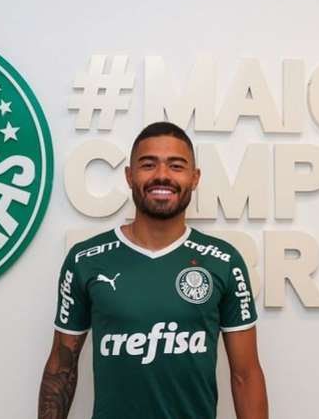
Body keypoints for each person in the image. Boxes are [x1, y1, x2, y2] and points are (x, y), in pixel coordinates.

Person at [38, 122, 268, 419]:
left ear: (194, 178)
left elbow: (246, 375)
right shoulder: (85, 260)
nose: (162, 175)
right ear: (129, 176)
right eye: (148, 165)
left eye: (176, 166)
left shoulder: (223, 260)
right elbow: (61, 367)